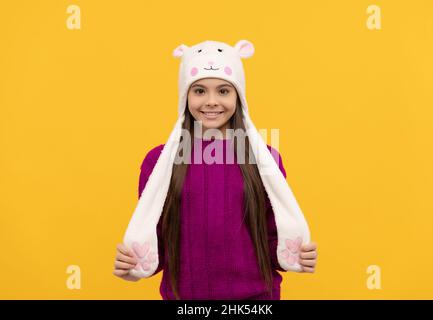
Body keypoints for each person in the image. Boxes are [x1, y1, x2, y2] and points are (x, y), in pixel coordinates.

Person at [114, 40, 318, 300]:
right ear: (185, 95)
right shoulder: (159, 162)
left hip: (255, 300)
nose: (211, 102)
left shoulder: (265, 159)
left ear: (239, 97)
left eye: (223, 91)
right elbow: (158, 245)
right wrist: (131, 267)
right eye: (199, 91)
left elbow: (272, 239)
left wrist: (298, 255)